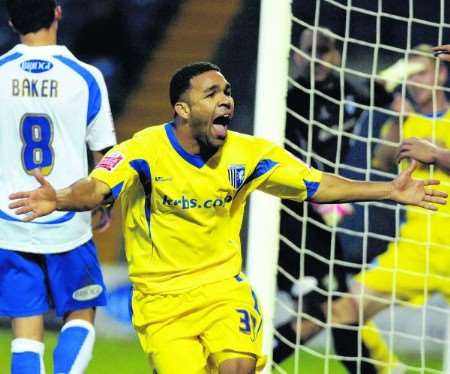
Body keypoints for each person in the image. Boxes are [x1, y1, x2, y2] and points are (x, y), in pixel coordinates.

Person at [8, 62, 446, 374]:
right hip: (162, 303)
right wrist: (61, 198)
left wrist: (388, 189)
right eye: (212, 94)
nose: (226, 101)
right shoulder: (143, 150)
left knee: (237, 365)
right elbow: (95, 188)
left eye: (228, 93)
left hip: (222, 291)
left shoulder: (249, 154)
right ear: (182, 109)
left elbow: (317, 184)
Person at [298, 43, 450, 369]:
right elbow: (383, 162)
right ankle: (389, 369)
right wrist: (396, 120)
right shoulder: (405, 123)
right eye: (411, 75)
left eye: (422, 73)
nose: (416, 82)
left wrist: (438, 155)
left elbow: (436, 154)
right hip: (418, 248)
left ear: (441, 74)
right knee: (345, 311)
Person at [0, 1, 117, 373]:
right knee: (81, 315)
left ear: (11, 22)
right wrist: (103, 203)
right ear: (58, 13)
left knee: (25, 336)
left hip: (9, 222)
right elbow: (106, 157)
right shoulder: (85, 77)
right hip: (66, 220)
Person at [274, 28, 399, 373]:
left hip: (327, 220)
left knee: (332, 311)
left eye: (325, 50)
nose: (316, 58)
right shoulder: (287, 103)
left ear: (337, 55)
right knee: (329, 310)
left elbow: (398, 94)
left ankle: (250, 363)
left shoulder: (355, 92)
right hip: (289, 221)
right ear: (297, 57)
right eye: (309, 50)